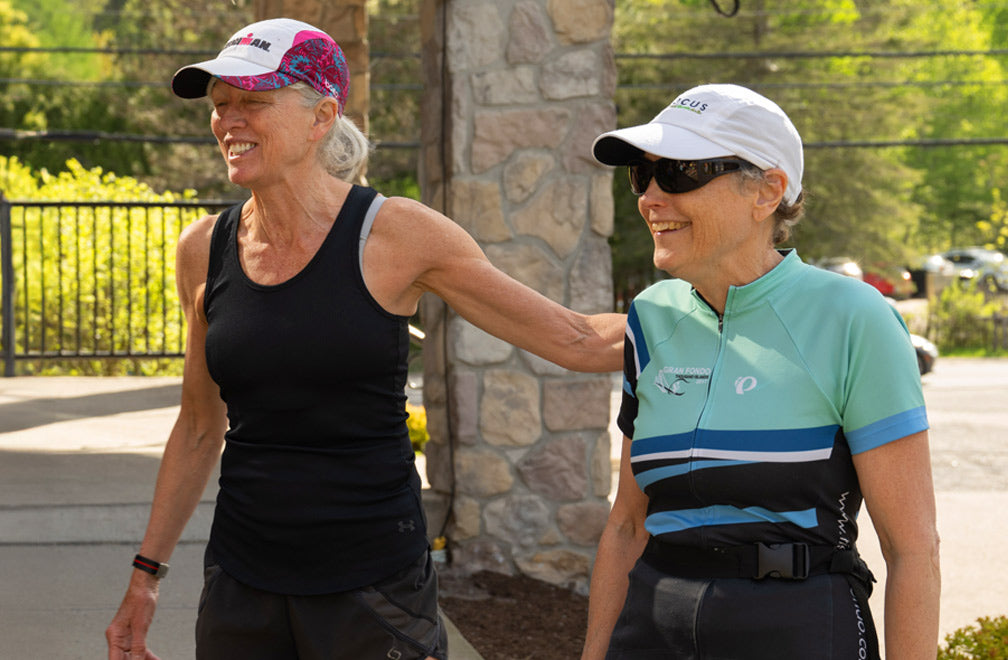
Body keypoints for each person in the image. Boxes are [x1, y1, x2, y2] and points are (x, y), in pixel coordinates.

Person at [102, 18, 624, 660]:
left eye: (253, 102)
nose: (228, 121)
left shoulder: (397, 235)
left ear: (321, 117)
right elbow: (199, 427)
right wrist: (144, 577)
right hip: (242, 583)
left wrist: (721, 314)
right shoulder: (204, 249)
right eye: (221, 104)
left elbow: (576, 340)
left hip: (373, 589)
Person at [583, 84, 940, 659]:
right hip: (650, 629)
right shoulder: (652, 318)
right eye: (642, 176)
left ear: (768, 191)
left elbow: (912, 550)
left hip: (797, 627)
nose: (650, 197)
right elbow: (626, 527)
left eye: (679, 173)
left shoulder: (853, 317)